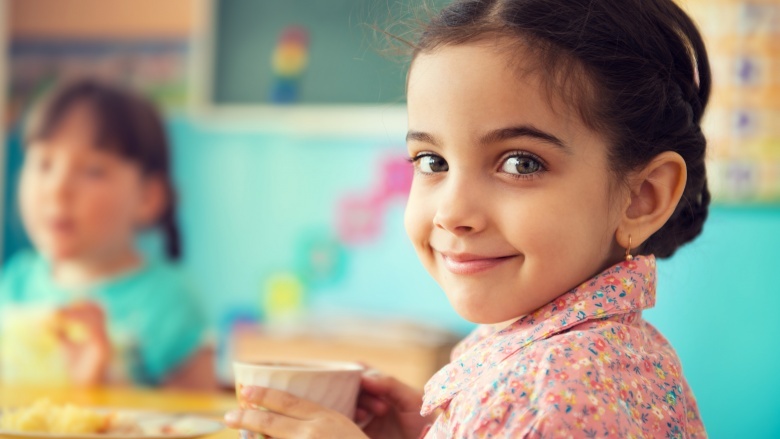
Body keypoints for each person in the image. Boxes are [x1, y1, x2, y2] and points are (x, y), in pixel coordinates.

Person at [224, 0, 710, 436]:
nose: (453, 213)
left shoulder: (545, 396)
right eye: (432, 162)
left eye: (520, 163)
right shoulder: (599, 356)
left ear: (642, 197)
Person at [0, 78, 215, 390]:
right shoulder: (15, 281)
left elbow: (199, 424)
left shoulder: (171, 300)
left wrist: (104, 382)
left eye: (93, 171)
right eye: (44, 164)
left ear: (147, 198)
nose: (57, 189)